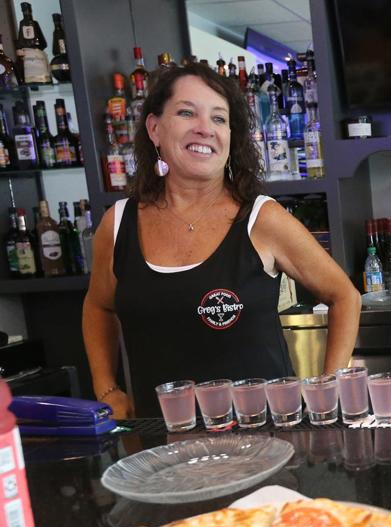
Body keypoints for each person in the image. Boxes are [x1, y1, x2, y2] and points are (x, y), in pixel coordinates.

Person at [83, 62, 361, 418]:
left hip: (263, 444)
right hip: (162, 446)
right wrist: (106, 388)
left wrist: (328, 387)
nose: (204, 129)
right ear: (154, 128)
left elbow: (345, 297)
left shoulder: (262, 218)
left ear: (231, 135)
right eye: (187, 113)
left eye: (219, 119)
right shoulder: (119, 223)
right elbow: (98, 306)